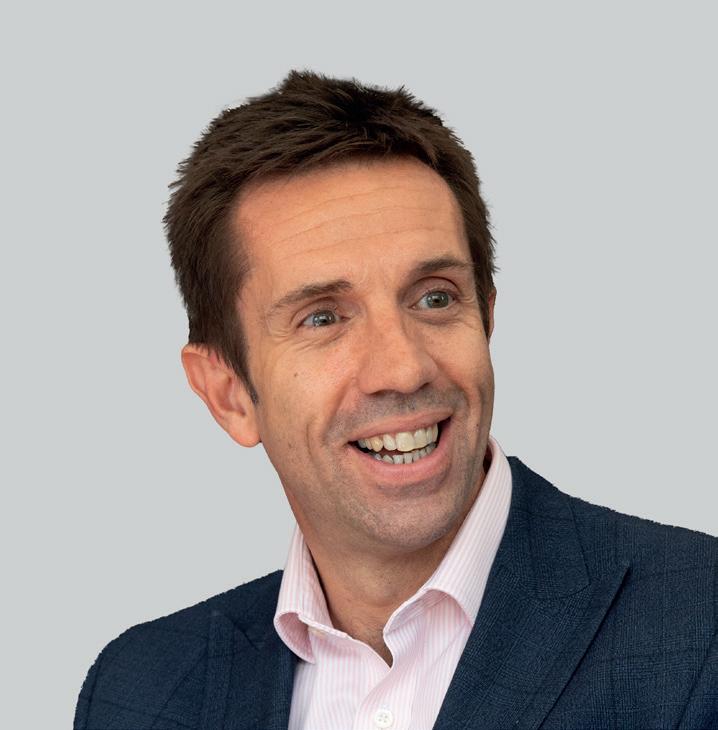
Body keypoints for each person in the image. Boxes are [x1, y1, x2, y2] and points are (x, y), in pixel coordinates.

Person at [74, 70, 717, 730]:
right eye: (323, 318)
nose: (404, 369)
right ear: (229, 393)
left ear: (486, 317)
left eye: (434, 298)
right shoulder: (141, 692)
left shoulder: (701, 628)